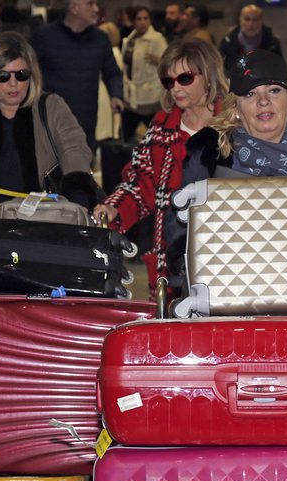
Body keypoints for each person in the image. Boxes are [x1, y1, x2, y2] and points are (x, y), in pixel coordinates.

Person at [166, 49, 287, 286]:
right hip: (233, 300)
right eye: (249, 94)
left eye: (274, 90)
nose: (263, 101)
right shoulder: (210, 159)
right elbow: (181, 239)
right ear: (235, 109)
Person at [92, 39, 226, 298]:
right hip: (172, 264)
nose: (175, 88)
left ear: (208, 76)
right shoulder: (162, 126)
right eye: (169, 81)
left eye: (185, 78)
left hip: (224, 257)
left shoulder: (233, 126)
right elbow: (140, 185)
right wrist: (113, 208)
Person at [0, 31, 96, 235]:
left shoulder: (53, 107)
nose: (13, 84)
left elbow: (75, 152)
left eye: (21, 75)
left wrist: (78, 201)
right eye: (3, 76)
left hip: (45, 228)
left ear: (33, 75)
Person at [32, 0, 125, 153]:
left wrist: (116, 95)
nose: (96, 9)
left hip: (85, 122)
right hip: (50, 122)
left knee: (81, 172)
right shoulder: (44, 36)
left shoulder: (101, 39)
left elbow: (112, 72)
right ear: (74, 7)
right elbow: (27, 70)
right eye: (90, 4)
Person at [120, 6, 168, 140]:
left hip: (151, 96)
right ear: (133, 21)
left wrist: (159, 60)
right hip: (131, 95)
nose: (142, 22)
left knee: (157, 137)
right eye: (139, 19)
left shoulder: (157, 39)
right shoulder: (129, 39)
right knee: (125, 135)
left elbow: (169, 64)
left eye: (146, 19)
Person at [218, 4, 282, 69]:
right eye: (247, 19)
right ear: (240, 20)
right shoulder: (228, 42)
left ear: (261, 21)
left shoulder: (272, 43)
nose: (250, 24)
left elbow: (280, 70)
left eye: (255, 20)